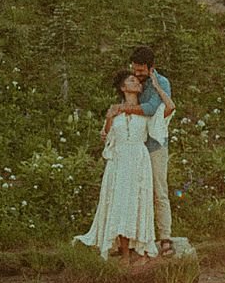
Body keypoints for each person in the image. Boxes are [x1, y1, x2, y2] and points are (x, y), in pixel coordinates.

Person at [75, 68, 157, 258]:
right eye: (131, 80)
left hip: (138, 159)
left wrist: (159, 86)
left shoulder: (145, 110)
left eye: (137, 80)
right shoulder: (114, 110)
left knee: (137, 203)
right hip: (119, 161)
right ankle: (125, 253)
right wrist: (110, 118)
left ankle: (141, 250)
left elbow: (168, 109)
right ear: (122, 87)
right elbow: (106, 137)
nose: (137, 82)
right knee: (119, 203)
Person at [128, 44, 175, 257]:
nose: (137, 73)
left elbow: (151, 109)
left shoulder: (161, 82)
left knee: (159, 190)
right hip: (136, 145)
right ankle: (137, 237)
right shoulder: (134, 81)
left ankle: (165, 237)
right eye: (134, 69)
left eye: (141, 70)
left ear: (151, 67)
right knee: (137, 191)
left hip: (155, 145)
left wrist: (124, 108)